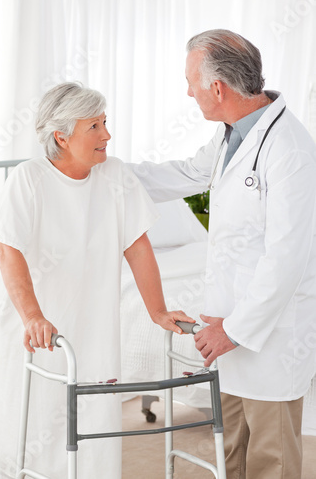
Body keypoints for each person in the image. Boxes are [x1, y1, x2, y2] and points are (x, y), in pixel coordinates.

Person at [0, 82, 192, 479]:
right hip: (32, 326)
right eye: (95, 126)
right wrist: (34, 316)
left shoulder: (114, 175)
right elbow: (8, 251)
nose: (107, 134)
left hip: (90, 327)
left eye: (105, 122)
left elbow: (137, 246)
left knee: (90, 424)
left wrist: (157, 310)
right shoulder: (29, 179)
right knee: (32, 422)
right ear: (61, 135)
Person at [131, 29, 316, 478]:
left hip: (266, 336)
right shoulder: (232, 134)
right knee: (230, 450)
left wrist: (234, 330)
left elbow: (287, 257)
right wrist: (110, 173)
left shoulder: (288, 148)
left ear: (217, 88)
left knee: (271, 458)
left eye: (190, 81)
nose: (187, 90)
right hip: (228, 328)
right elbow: (189, 173)